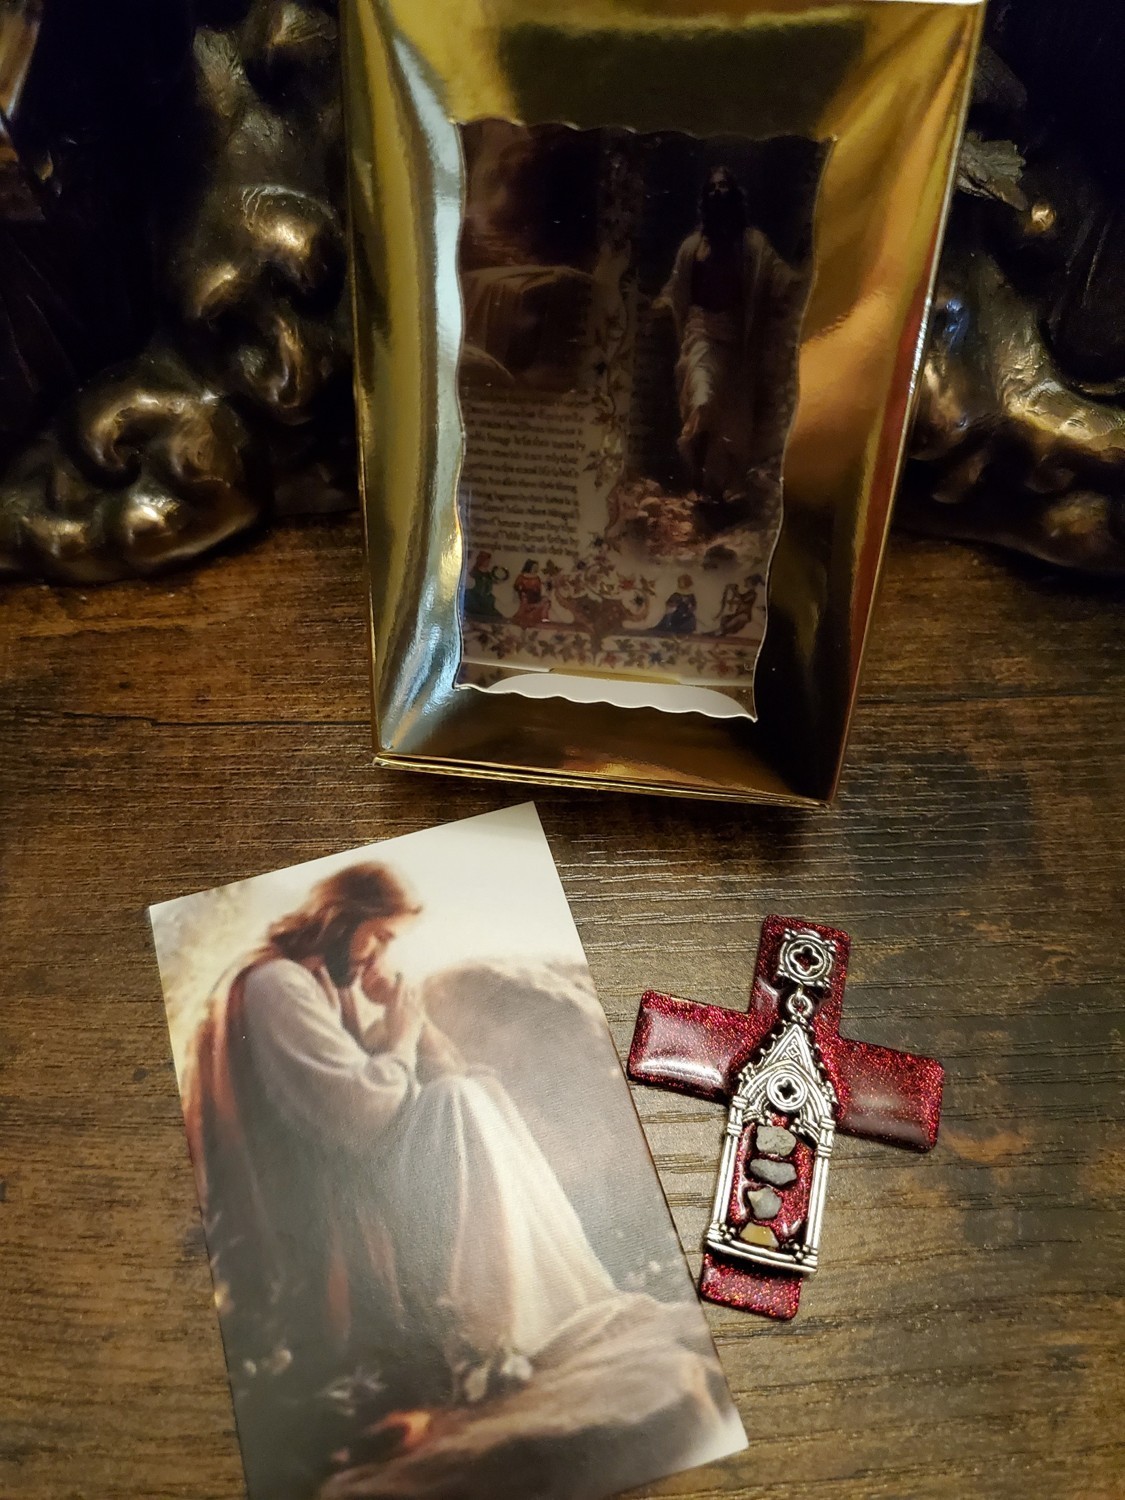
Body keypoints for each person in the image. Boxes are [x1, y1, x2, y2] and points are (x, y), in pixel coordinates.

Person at [183, 863, 617, 1421]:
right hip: (307, 1205)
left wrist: (404, 1020)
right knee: (456, 1102)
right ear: (343, 918)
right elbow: (366, 1111)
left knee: (470, 1091)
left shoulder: (318, 986)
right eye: (380, 936)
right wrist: (402, 1032)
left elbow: (433, 1077)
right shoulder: (278, 984)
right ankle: (491, 1329)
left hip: (347, 1175)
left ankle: (519, 1316)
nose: (378, 956)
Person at [656, 166, 802, 506]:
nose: (718, 192)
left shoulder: (754, 245)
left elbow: (780, 278)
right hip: (701, 334)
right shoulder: (693, 247)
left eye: (724, 187)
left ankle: (715, 488)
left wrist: (804, 282)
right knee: (703, 402)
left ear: (735, 195)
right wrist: (663, 305)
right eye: (712, 188)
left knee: (732, 421)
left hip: (739, 343)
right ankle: (698, 474)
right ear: (705, 198)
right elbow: (675, 286)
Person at [511, 558, 550, 627]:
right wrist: (521, 591)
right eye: (534, 567)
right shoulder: (521, 576)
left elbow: (539, 589)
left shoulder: (537, 577)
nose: (535, 569)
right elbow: (516, 587)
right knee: (526, 599)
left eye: (536, 568)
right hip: (525, 597)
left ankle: (544, 619)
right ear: (529, 567)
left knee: (546, 601)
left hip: (535, 597)